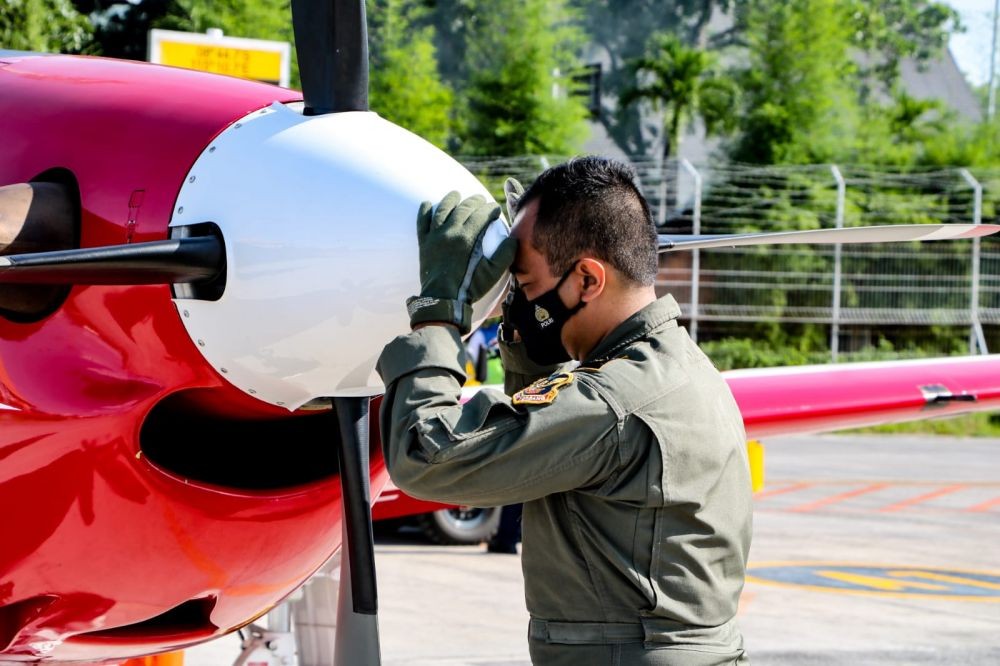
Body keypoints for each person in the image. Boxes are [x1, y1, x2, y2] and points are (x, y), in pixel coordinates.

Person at [376, 157, 752, 665]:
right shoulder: (679, 369)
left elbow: (426, 458)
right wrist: (523, 326)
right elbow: (547, 431)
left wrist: (438, 317)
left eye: (527, 287)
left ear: (587, 280)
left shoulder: (612, 403)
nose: (525, 302)